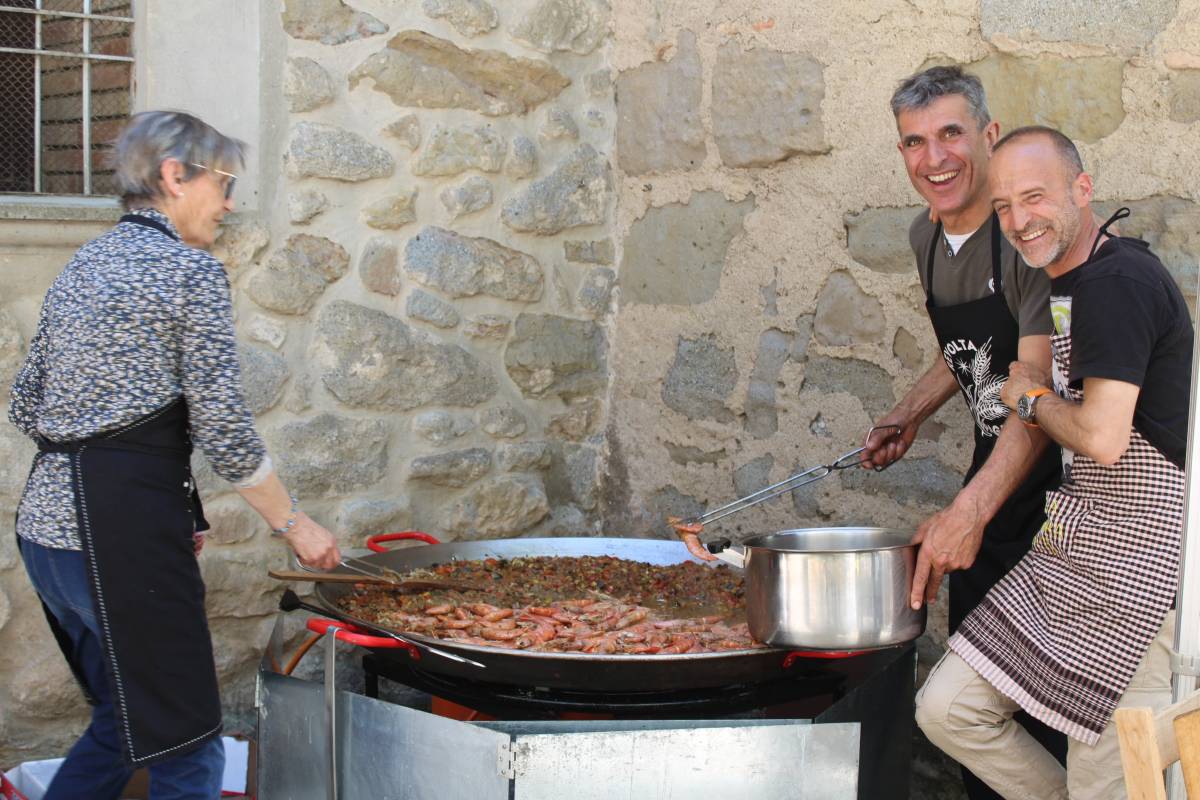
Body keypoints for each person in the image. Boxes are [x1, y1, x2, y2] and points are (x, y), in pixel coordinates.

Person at [8, 111, 341, 800]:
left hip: (46, 532)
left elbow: (24, 404)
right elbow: (223, 427)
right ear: (172, 176)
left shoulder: (85, 262)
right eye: (222, 183)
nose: (228, 202)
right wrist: (295, 525)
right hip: (118, 537)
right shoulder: (190, 272)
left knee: (124, 722)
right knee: (186, 744)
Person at [915, 126, 1190, 799]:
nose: (1019, 220)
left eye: (1035, 197)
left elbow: (1102, 438)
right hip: (1077, 552)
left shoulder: (1117, 282)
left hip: (1137, 578)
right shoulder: (1070, 281)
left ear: (1083, 191)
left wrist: (1030, 398)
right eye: (1005, 205)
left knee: (1116, 780)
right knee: (949, 708)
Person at [856, 66, 1066, 799]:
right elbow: (973, 351)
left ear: (989, 135)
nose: (934, 158)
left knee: (1041, 713)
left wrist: (967, 512)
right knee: (981, 722)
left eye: (951, 133)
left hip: (1058, 501)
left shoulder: (1028, 243)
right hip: (991, 477)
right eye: (914, 142)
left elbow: (1037, 396)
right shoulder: (926, 236)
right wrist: (909, 411)